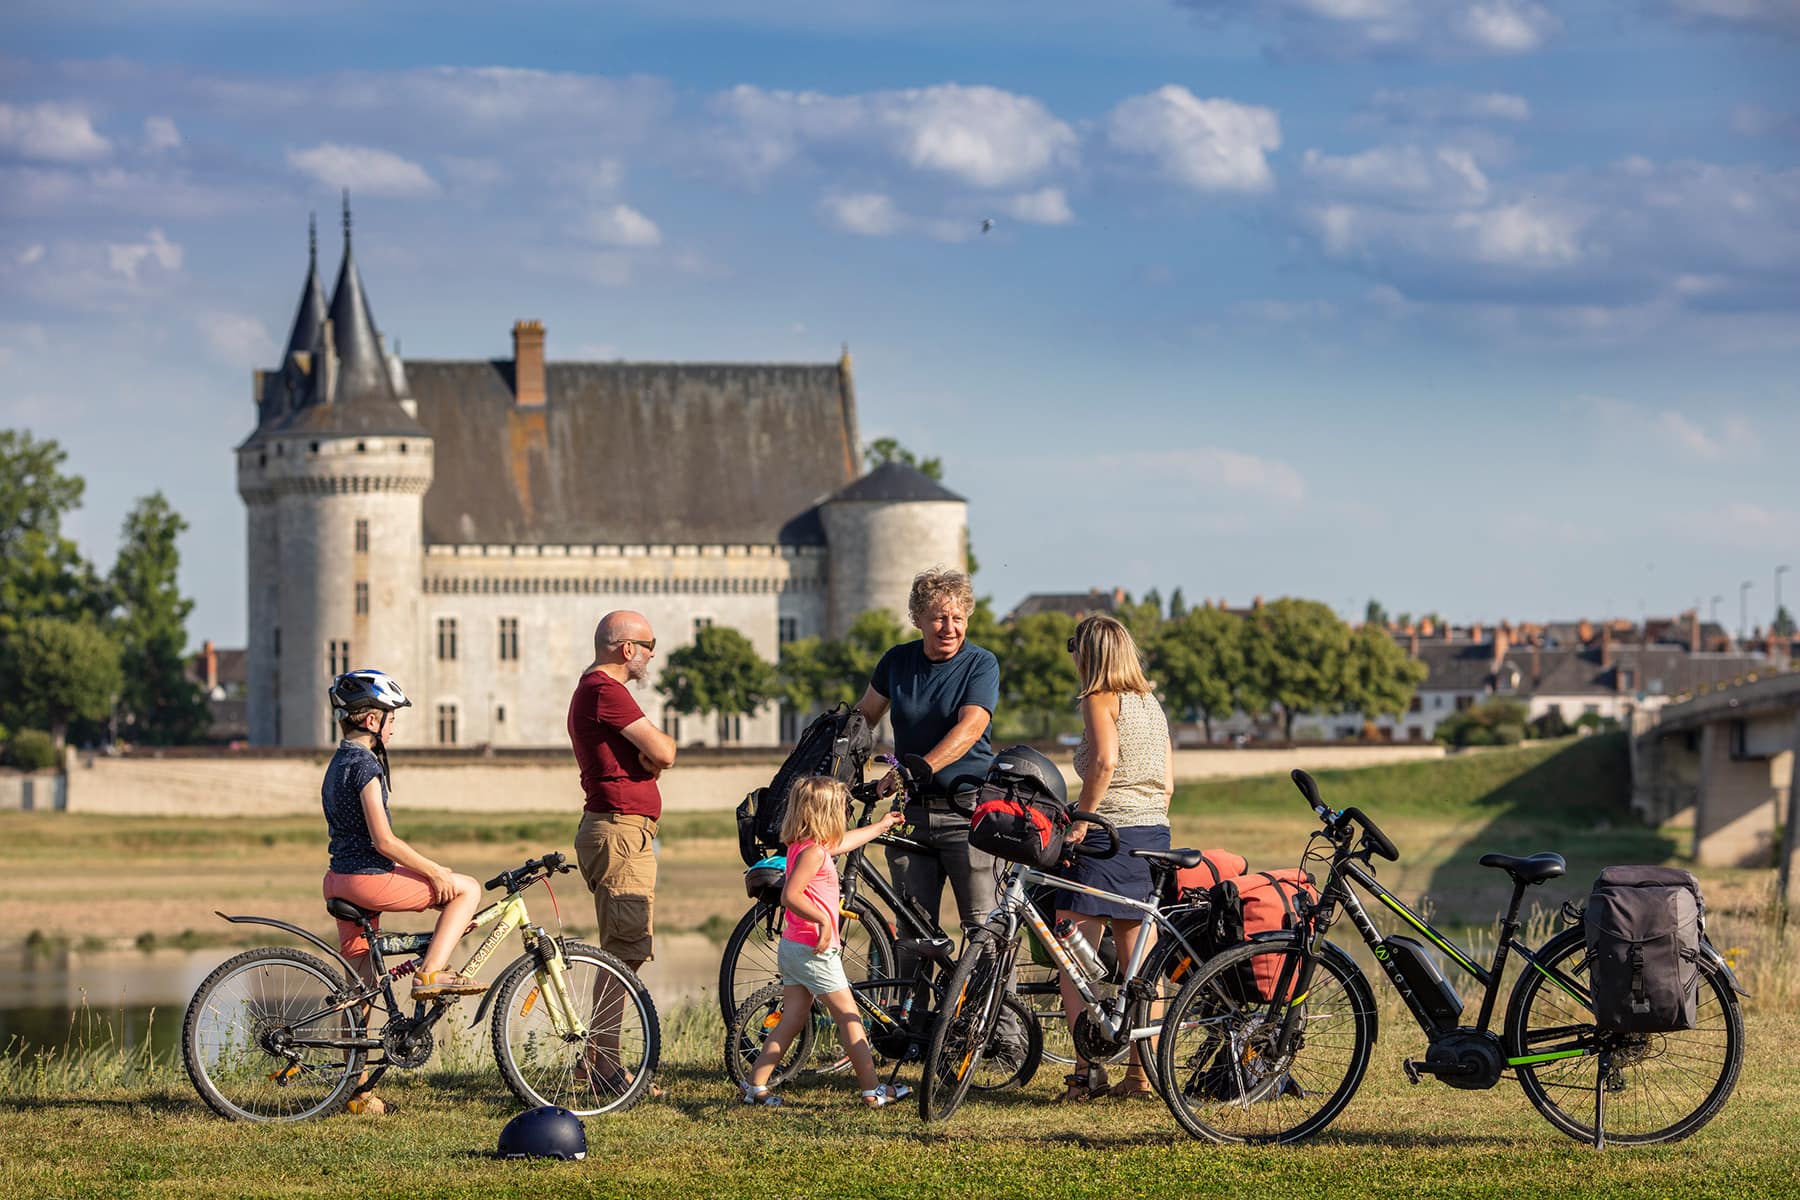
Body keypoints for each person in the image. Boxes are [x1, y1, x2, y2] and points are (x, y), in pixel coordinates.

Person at [320, 669, 485, 1115]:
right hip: (367, 879)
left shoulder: (337, 762)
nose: (394, 726)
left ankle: (352, 1092)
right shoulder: (366, 766)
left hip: (339, 878)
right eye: (391, 718)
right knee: (465, 891)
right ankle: (431, 973)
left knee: (363, 987)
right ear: (372, 720)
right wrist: (436, 872)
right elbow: (384, 841)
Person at [1055, 614, 1174, 1102]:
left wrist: (1081, 820)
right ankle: (1142, 1077)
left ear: (1090, 655)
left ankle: (1086, 1074)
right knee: (1141, 968)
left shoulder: (1098, 698)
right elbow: (1167, 784)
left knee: (1073, 951)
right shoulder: (1150, 704)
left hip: (1107, 836)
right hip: (1153, 836)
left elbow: (1103, 762)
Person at [740, 777, 908, 1108]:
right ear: (826, 814)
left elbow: (847, 841)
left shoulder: (805, 846)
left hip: (793, 949)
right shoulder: (815, 853)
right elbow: (790, 895)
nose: (844, 816)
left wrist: (883, 824)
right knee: (849, 1018)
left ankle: (756, 1086)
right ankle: (872, 1090)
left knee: (793, 1019)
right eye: (841, 810)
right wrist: (821, 921)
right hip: (813, 950)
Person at [854, 567, 1001, 942]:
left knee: (984, 932)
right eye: (939, 617)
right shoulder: (897, 662)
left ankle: (992, 1003)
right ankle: (912, 1004)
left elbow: (969, 729)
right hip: (912, 813)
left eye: (958, 618)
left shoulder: (980, 664)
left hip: (966, 812)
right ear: (917, 619)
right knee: (913, 934)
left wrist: (913, 770)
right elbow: (864, 717)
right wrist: (836, 756)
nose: (949, 627)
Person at [568, 610, 676, 1099]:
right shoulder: (604, 691)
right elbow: (665, 752)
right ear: (627, 648)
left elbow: (655, 755)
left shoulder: (600, 692)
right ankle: (603, 1067)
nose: (653, 654)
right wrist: (655, 754)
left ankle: (597, 1062)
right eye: (649, 644)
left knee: (623, 950)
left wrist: (652, 756)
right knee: (623, 953)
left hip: (620, 831)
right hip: (619, 832)